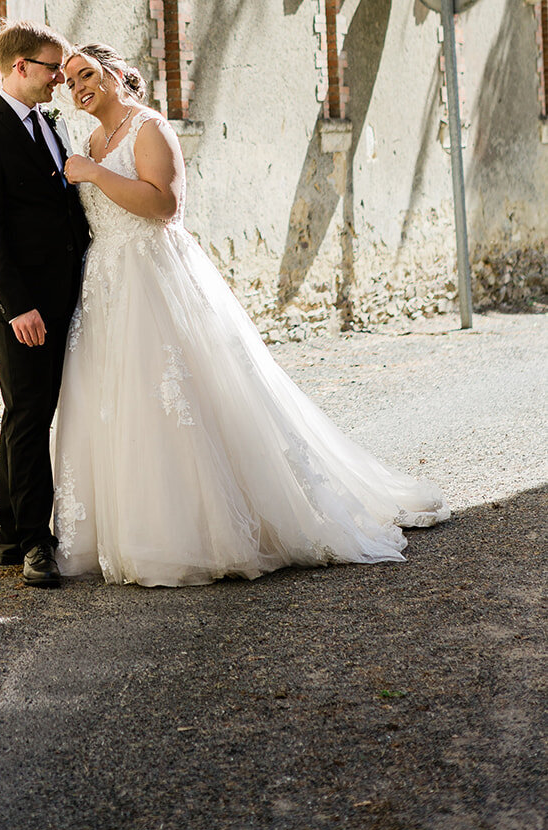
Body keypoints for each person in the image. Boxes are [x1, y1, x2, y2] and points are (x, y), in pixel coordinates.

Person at [54, 42, 449, 587]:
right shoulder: (92, 140)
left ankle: (206, 531)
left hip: (156, 277)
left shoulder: (148, 130)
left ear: (120, 75)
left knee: (182, 399)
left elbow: (163, 205)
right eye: (70, 80)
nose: (78, 86)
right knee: (125, 405)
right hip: (108, 284)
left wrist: (95, 175)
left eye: (87, 74)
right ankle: (138, 528)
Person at [0, 21, 90, 587]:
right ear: (19, 67)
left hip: (65, 293)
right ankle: (37, 541)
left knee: (25, 412)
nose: (59, 79)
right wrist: (18, 307)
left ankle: (10, 532)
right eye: (51, 68)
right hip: (22, 305)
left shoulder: (48, 124)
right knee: (32, 414)